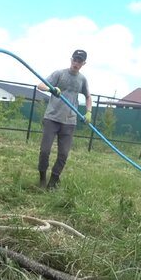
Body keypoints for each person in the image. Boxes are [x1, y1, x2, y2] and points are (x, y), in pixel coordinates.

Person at [37, 49, 92, 189]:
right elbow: (40, 85)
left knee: (63, 154)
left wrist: (89, 112)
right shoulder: (59, 73)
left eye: (80, 61)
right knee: (44, 151)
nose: (76, 63)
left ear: (83, 63)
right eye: (75, 59)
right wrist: (51, 89)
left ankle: (53, 182)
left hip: (69, 121)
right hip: (52, 118)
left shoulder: (82, 79)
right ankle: (42, 178)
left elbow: (88, 96)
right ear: (71, 59)